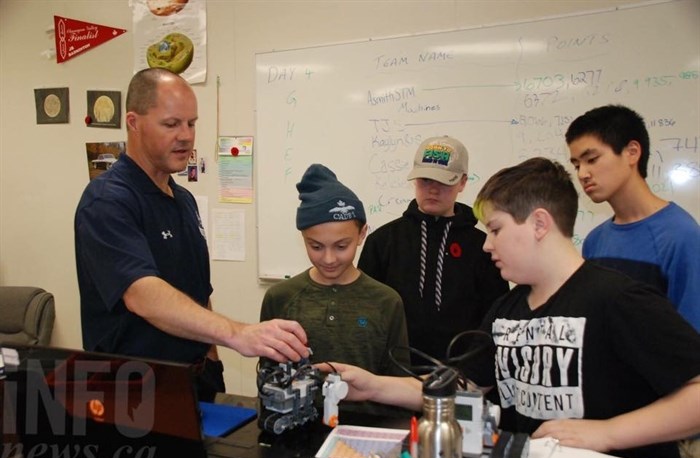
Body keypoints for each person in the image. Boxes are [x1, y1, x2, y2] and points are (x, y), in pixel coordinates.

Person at [319, 158, 700, 458]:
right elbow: (464, 387)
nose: (487, 245)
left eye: (496, 229)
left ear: (538, 223)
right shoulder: (507, 311)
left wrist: (606, 432)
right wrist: (372, 384)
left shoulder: (617, 298)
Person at [74, 68, 309, 402]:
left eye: (192, 123)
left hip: (196, 380)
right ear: (133, 122)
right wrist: (237, 333)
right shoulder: (108, 200)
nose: (186, 135)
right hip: (134, 393)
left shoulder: (182, 199)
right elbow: (142, 295)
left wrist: (212, 363)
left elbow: (198, 294)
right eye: (171, 124)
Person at [259, 164, 411, 416]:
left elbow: (399, 384)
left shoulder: (386, 301)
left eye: (341, 246)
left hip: (369, 432)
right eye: (316, 246)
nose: (329, 258)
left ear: (362, 234)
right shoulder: (280, 298)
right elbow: (268, 378)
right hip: (297, 432)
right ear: (303, 238)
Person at [358, 136, 509, 366]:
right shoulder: (383, 241)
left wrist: (474, 369)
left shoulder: (485, 247)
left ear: (462, 182)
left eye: (444, 181)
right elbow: (364, 313)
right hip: (393, 370)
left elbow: (494, 318)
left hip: (462, 374)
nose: (433, 190)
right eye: (425, 180)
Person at [566, 104, 700, 332]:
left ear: (632, 152)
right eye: (577, 164)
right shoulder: (595, 241)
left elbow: (691, 339)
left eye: (592, 159)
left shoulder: (681, 236)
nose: (582, 174)